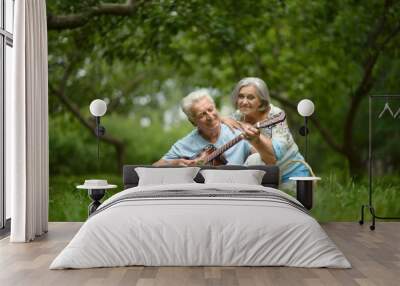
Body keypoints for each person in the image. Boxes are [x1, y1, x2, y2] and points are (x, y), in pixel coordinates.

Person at [223, 77, 310, 188]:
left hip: (291, 174)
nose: (244, 102)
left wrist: (256, 138)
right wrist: (223, 119)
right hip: (265, 176)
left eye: (250, 97)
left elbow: (273, 156)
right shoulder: (239, 115)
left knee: (254, 159)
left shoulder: (276, 115)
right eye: (241, 96)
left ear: (261, 101)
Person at [153, 89, 276, 166]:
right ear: (193, 122)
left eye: (211, 110)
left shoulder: (237, 131)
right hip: (201, 197)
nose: (210, 116)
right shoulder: (184, 144)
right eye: (202, 114)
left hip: (238, 193)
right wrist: (175, 163)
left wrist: (257, 140)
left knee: (256, 158)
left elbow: (270, 161)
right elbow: (155, 167)